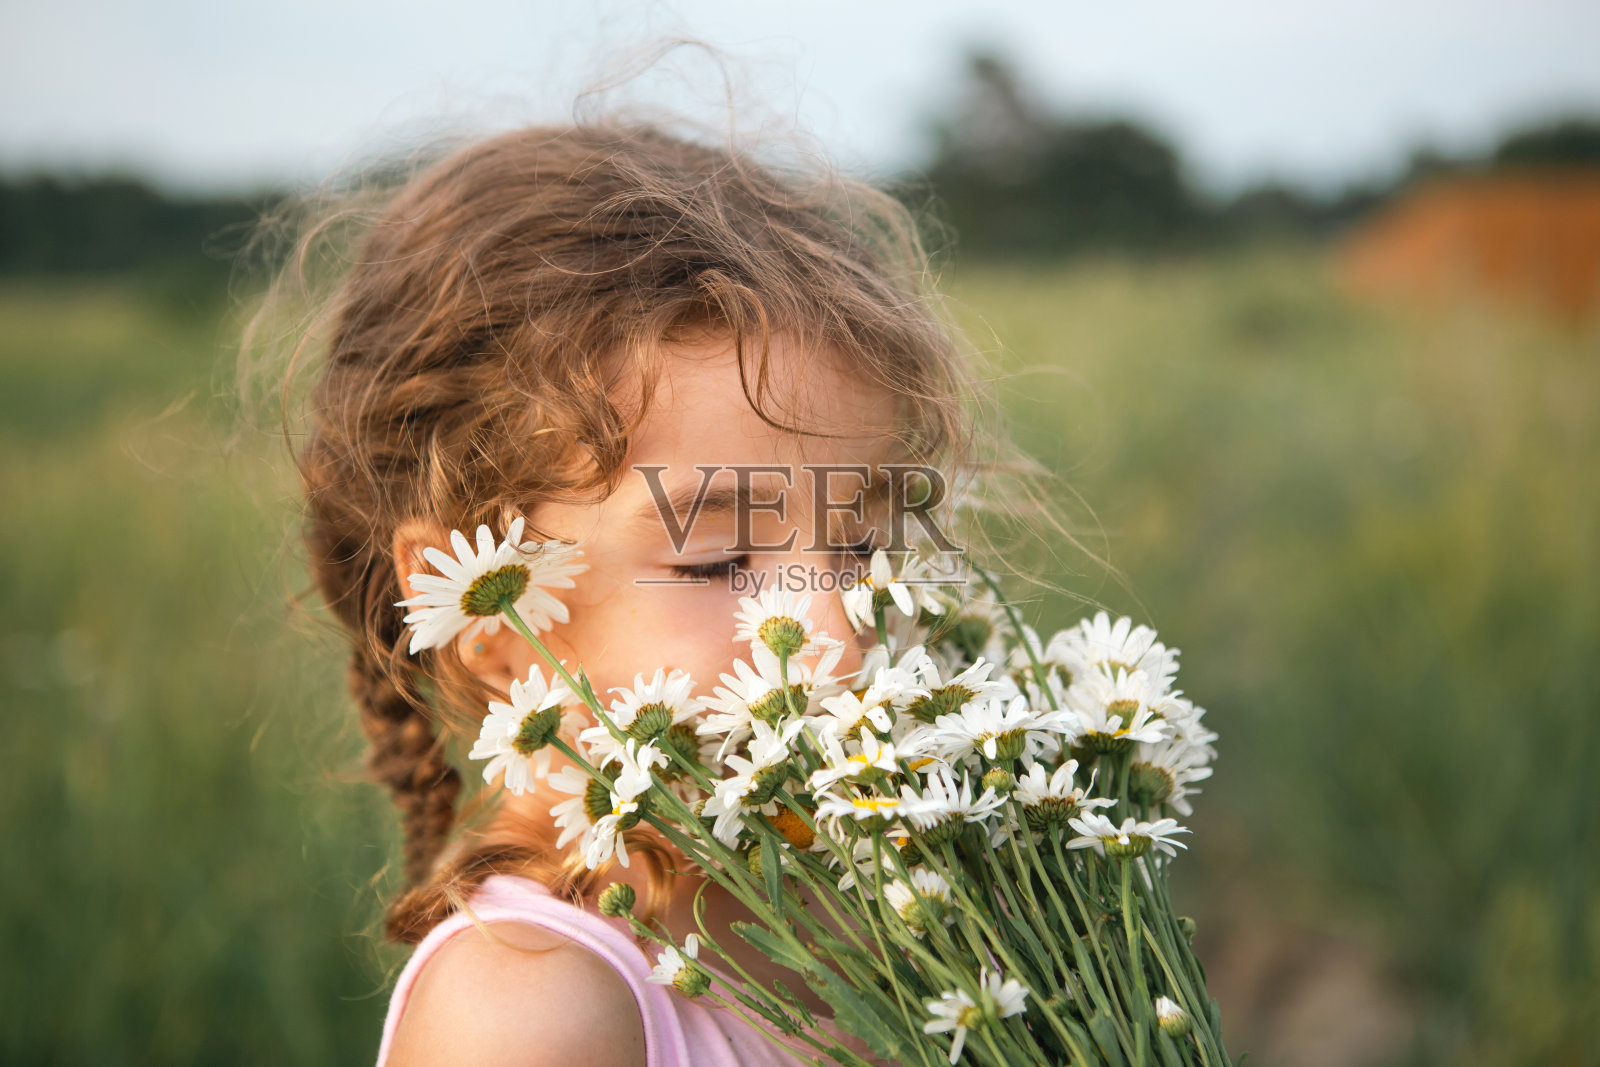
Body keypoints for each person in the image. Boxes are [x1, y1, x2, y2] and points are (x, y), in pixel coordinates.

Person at [256, 115, 1026, 1067]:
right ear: (487, 620)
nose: (837, 632)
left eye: (861, 543)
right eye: (716, 561)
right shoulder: (530, 1005)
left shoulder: (885, 896)